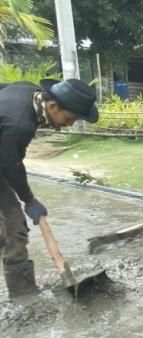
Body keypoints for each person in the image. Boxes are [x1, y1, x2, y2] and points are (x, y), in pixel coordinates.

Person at [0, 79, 99, 298]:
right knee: (13, 227)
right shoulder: (19, 125)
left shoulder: (28, 91)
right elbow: (11, 166)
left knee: (7, 225)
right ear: (53, 106)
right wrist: (29, 199)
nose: (69, 125)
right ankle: (25, 298)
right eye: (69, 119)